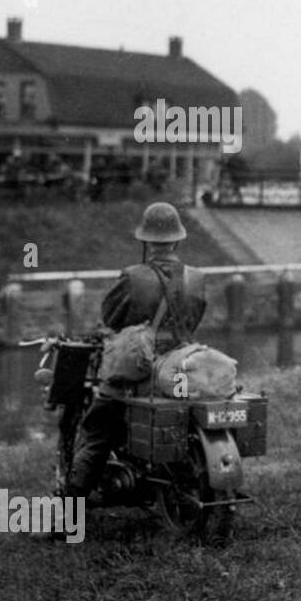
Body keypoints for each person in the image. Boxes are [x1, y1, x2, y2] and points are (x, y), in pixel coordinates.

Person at [64, 203, 208, 499]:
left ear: (146, 241)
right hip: (179, 369)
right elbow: (194, 320)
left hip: (140, 372)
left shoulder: (132, 276)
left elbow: (110, 318)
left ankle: (66, 517)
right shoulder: (197, 277)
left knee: (96, 433)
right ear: (177, 240)